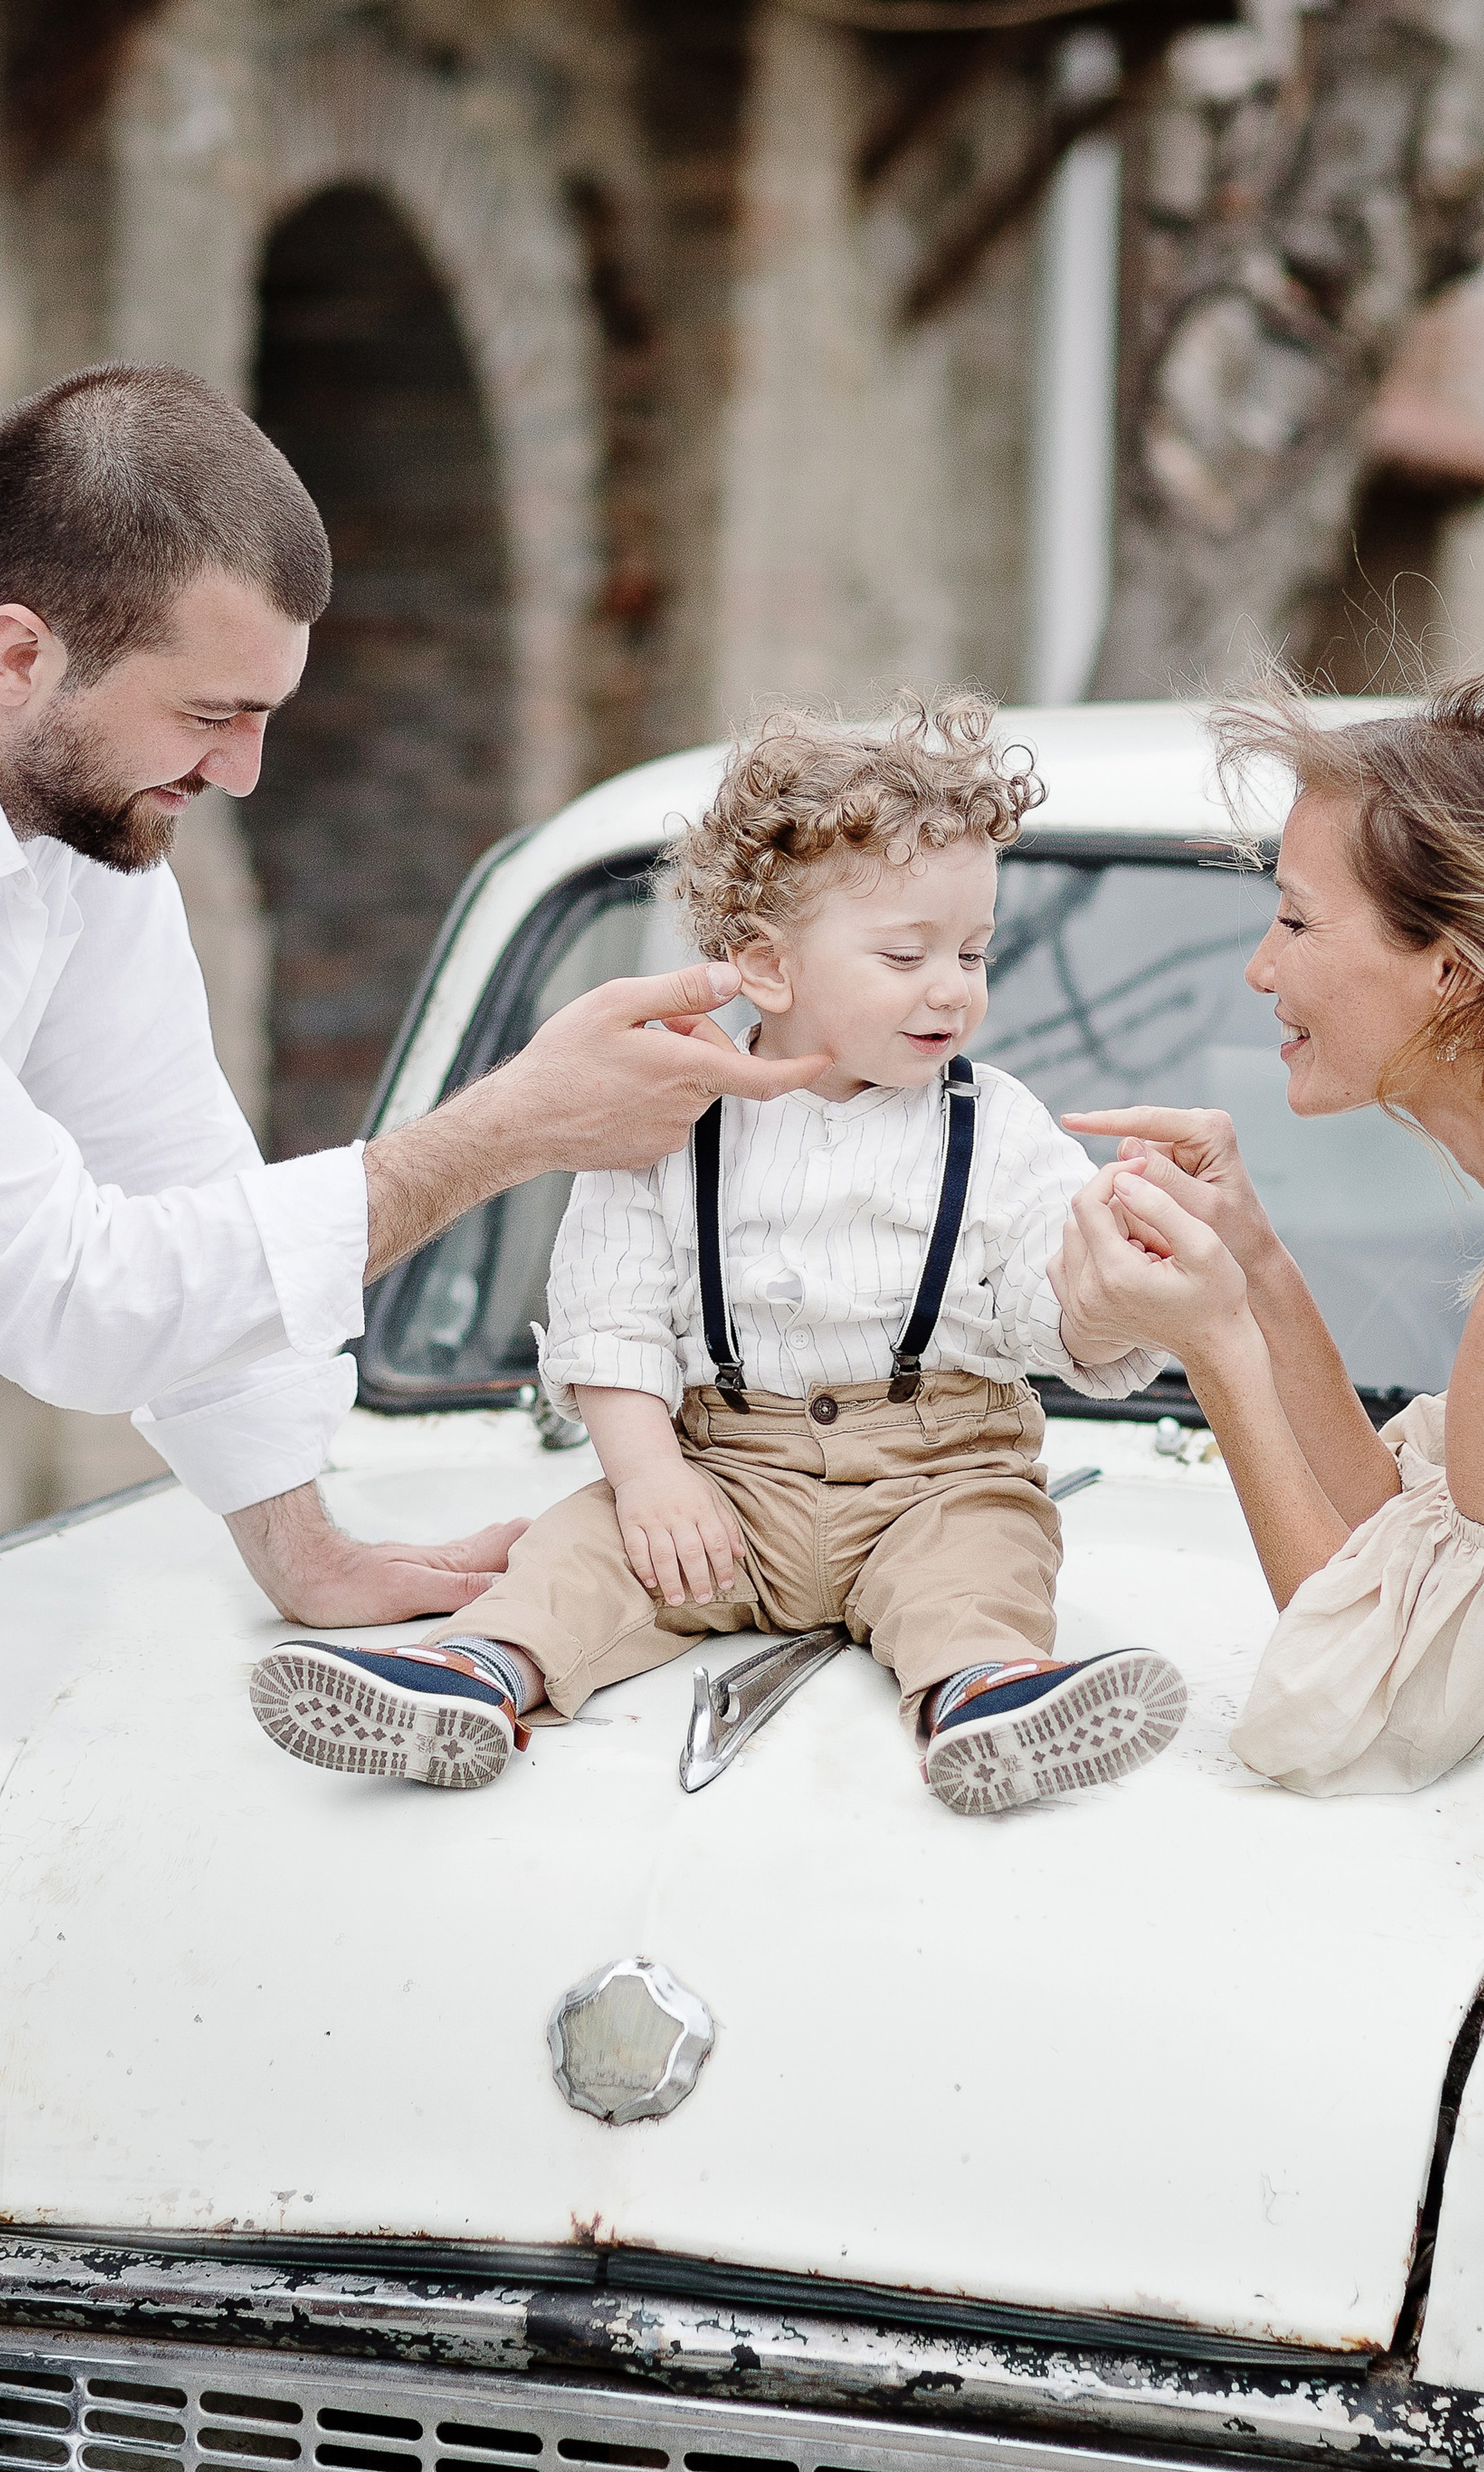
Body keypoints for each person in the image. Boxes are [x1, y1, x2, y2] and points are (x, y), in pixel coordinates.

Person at [249, 695, 1188, 1812]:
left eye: (974, 952)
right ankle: (473, 1674)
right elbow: (613, 1316)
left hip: (939, 1472)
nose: (953, 985)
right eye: (907, 953)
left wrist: (1116, 1271)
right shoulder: (663, 1113)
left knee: (985, 1559)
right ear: (769, 968)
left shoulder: (1000, 1126)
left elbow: (1050, 1303)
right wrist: (651, 1479)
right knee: (582, 1550)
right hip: (720, 1477)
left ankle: (984, 1697)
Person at [0, 362, 824, 1623]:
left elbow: (175, 1176)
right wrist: (513, 1127)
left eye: (266, 715)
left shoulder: (85, 829)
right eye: (211, 715)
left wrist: (305, 1555)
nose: (243, 771)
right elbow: (74, 1302)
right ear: (19, 655)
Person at [1047, 643, 1484, 1795]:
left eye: (1296, 921)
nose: (1259, 970)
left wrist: (1212, 1343)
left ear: (1453, 972)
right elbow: (1401, 1555)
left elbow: (1381, 1715)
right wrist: (1255, 1264)